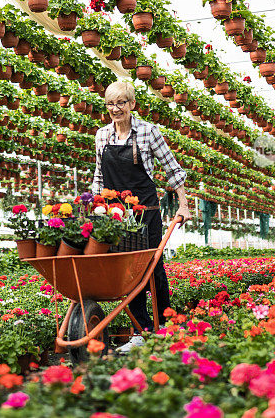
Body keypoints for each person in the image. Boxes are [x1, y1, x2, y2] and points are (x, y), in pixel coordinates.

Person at [91, 81, 192, 353]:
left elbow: (173, 169)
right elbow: (99, 176)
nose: (115, 109)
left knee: (152, 268)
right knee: (126, 271)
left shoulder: (148, 132)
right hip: (116, 214)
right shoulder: (102, 136)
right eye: (110, 104)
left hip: (146, 211)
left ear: (132, 104)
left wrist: (183, 204)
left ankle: (166, 324)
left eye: (121, 103)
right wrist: (93, 208)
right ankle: (141, 330)